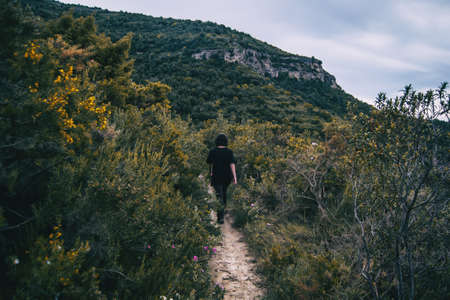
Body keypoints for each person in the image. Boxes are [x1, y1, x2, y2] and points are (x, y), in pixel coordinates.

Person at [206, 133, 237, 224]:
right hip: (226, 177)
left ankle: (220, 216)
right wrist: (235, 177)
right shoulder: (229, 152)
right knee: (223, 194)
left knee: (219, 195)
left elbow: (210, 163)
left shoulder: (213, 151)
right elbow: (232, 165)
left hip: (216, 176)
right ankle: (221, 215)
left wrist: (211, 172)